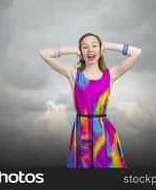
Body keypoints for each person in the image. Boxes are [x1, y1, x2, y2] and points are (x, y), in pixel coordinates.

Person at [39, 32, 142, 168]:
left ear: (100, 51)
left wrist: (107, 46)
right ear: (81, 52)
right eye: (85, 47)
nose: (90, 50)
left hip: (103, 132)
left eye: (94, 46)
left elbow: (137, 52)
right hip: (83, 131)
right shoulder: (74, 74)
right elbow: (43, 53)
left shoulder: (110, 75)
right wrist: (73, 50)